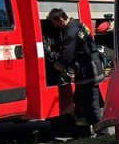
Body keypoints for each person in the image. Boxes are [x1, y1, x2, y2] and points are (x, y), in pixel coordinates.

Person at [45, 8, 105, 136]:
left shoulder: (71, 32)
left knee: (91, 104)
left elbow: (67, 56)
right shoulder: (77, 24)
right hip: (88, 69)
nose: (54, 26)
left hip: (88, 71)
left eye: (54, 23)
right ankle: (83, 133)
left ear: (61, 20)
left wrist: (54, 69)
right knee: (80, 101)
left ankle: (102, 133)